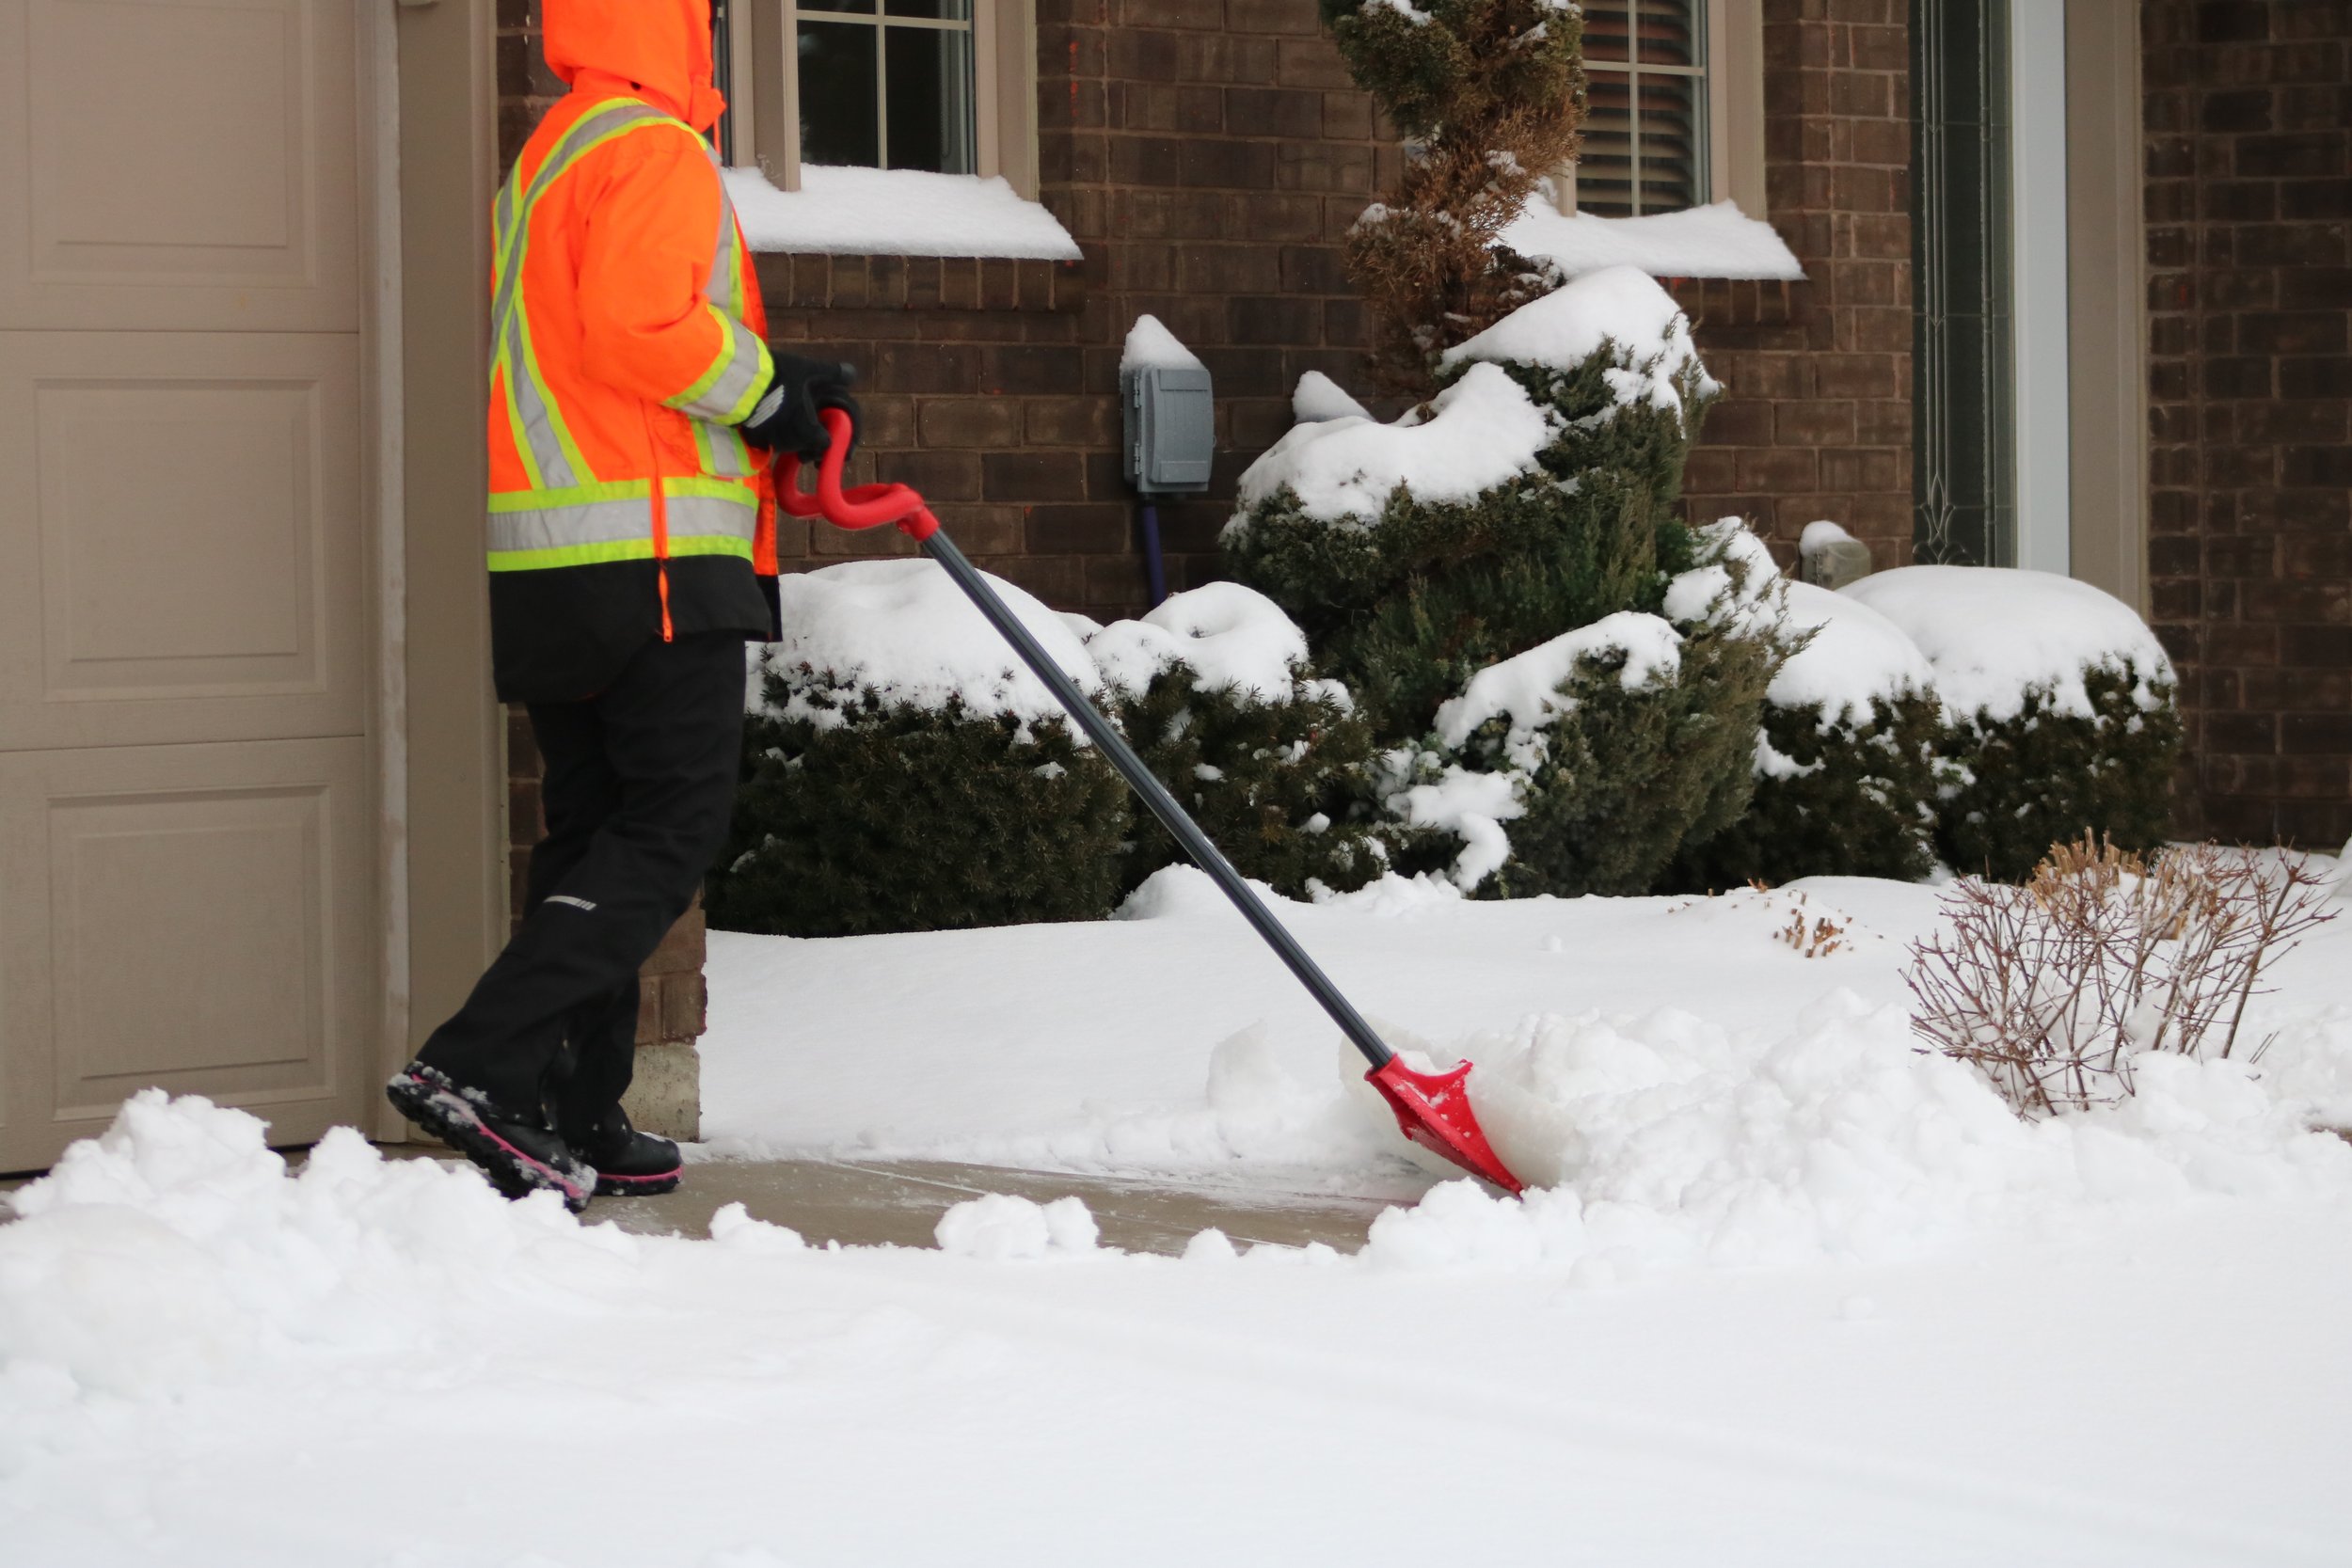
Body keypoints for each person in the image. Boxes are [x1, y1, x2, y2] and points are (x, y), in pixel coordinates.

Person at [387, 0, 857, 1211]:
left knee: (591, 831)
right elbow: (640, 326)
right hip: (651, 558)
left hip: (555, 566)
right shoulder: (651, 147)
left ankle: (572, 1103)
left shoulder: (555, 150)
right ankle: (477, 1062)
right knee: (667, 829)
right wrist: (769, 388)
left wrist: (777, 396)